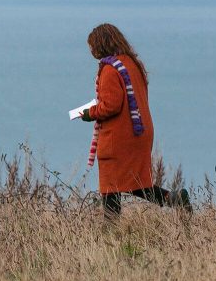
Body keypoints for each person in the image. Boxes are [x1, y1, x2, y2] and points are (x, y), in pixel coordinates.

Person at [79, 23, 191, 219]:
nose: (91, 50)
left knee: (111, 184)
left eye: (92, 46)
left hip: (119, 137)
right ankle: (173, 199)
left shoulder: (110, 70)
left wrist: (89, 113)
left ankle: (110, 228)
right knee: (134, 182)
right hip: (139, 132)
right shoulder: (132, 63)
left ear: (101, 44)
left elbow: (111, 105)